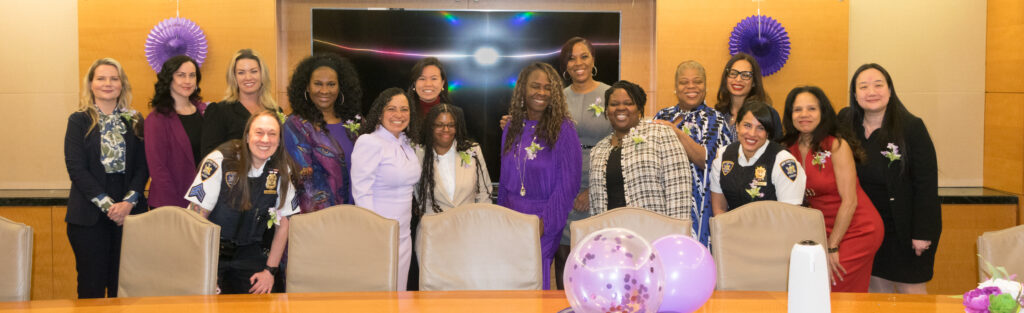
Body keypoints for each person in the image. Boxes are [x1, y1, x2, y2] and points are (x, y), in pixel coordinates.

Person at [838, 64, 940, 294]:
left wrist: (922, 233)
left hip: (903, 230)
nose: (871, 91)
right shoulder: (845, 123)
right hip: (866, 230)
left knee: (912, 298)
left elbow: (926, 185)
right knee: (875, 295)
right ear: (854, 94)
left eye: (878, 85)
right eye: (863, 87)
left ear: (890, 90)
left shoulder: (912, 127)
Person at [183, 111, 299, 295]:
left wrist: (270, 271)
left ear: (279, 140)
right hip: (211, 252)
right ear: (247, 136)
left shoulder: (281, 169)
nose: (265, 140)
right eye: (259, 133)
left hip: (250, 253)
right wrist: (202, 270)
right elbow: (198, 218)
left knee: (266, 301)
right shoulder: (220, 160)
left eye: (272, 134)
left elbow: (285, 221)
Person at [781, 86, 884, 292]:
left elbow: (850, 201)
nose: (804, 115)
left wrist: (832, 245)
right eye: (797, 109)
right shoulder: (786, 149)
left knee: (830, 285)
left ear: (823, 113)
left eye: (811, 108)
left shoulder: (835, 145)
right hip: (821, 231)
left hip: (856, 229)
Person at [64, 58, 148, 298]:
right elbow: (76, 168)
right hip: (89, 213)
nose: (108, 83)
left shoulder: (135, 119)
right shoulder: (78, 120)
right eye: (101, 78)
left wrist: (128, 203)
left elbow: (144, 167)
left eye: (114, 78)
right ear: (91, 84)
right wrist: (110, 207)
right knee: (91, 286)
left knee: (124, 287)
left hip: (129, 212)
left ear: (122, 84)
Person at [497, 62, 581, 290]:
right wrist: (502, 216)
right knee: (509, 278)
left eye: (547, 87)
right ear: (523, 88)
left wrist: (545, 223)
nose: (541, 92)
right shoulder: (511, 126)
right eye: (535, 86)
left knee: (534, 278)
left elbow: (568, 185)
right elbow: (504, 178)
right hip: (511, 216)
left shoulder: (564, 129)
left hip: (543, 217)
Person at [553, 37, 614, 289]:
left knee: (598, 254)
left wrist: (594, 189)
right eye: (571, 58)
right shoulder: (556, 98)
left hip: (600, 179)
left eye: (584, 56)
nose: (578, 63)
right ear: (565, 65)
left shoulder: (610, 94)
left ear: (593, 60)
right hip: (562, 181)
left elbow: (620, 143)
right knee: (564, 256)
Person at [653, 60, 733, 247]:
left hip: (702, 207)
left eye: (697, 81)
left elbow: (707, 161)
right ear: (675, 87)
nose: (691, 86)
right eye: (684, 82)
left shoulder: (715, 120)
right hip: (665, 204)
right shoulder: (662, 116)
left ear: (705, 87)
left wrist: (676, 132)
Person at [589, 80, 693, 219]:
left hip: (652, 233)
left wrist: (675, 233)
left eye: (628, 103)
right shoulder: (598, 150)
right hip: (612, 234)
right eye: (614, 104)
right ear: (607, 111)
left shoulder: (661, 134)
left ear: (639, 108)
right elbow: (595, 206)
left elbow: (679, 191)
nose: (621, 108)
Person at [351, 88, 421, 291]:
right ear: (380, 113)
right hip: (379, 234)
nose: (398, 115)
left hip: (404, 234)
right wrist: (375, 231)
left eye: (404, 109)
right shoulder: (370, 142)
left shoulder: (406, 144)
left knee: (399, 290)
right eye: (392, 109)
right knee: (378, 293)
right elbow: (361, 192)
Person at [282, 54, 363, 212]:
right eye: (318, 84)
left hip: (360, 213)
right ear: (307, 87)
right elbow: (305, 182)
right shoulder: (296, 126)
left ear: (340, 87)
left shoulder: (356, 123)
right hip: (320, 220)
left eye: (331, 84)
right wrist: (332, 219)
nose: (324, 90)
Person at [710, 101, 805, 215]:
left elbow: (790, 216)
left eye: (760, 128)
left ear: (767, 133)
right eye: (747, 125)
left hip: (774, 230)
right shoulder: (723, 155)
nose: (752, 133)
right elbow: (719, 209)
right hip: (732, 229)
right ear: (737, 126)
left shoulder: (783, 161)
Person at [145, 55, 207, 209]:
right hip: (170, 204)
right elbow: (158, 170)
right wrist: (179, 205)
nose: (187, 81)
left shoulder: (204, 111)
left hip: (203, 202)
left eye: (192, 75)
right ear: (169, 79)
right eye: (181, 75)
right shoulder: (156, 119)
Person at [414, 103, 492, 215]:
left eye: (451, 125)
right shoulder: (419, 154)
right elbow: (417, 194)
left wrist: (483, 221)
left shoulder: (472, 150)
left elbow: (484, 192)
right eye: (439, 125)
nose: (446, 129)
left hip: (468, 226)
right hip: (433, 227)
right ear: (431, 127)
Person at [201, 49, 280, 156]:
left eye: (254, 71)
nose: (248, 77)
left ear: (262, 74)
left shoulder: (275, 111)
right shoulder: (219, 111)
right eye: (241, 72)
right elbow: (209, 156)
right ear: (234, 77)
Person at [714, 53, 782, 140]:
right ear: (726, 78)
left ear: (754, 82)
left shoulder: (769, 114)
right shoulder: (718, 114)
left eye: (745, 75)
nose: (738, 79)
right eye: (733, 73)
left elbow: (776, 148)